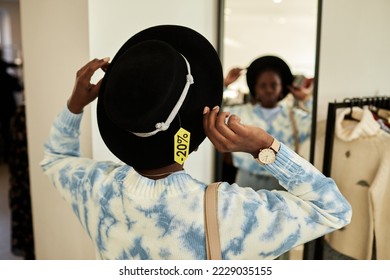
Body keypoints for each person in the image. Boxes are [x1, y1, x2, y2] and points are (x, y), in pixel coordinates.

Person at [40, 25, 351, 260]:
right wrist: (264, 147)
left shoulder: (95, 188)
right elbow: (334, 210)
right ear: (198, 131)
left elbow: (55, 157)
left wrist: (74, 106)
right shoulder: (233, 214)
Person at [223, 56, 314, 191]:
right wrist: (224, 84)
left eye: (273, 85)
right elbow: (214, 111)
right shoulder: (240, 113)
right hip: (246, 179)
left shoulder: (295, 117)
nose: (269, 89)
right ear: (256, 89)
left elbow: (319, 123)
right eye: (263, 85)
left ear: (281, 88)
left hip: (281, 181)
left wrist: (306, 99)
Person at [0, 47, 23, 163]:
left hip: (6, 107)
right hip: (7, 107)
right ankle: (7, 155)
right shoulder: (7, 77)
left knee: (5, 131)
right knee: (7, 132)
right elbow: (19, 88)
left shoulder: (7, 75)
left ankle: (5, 155)